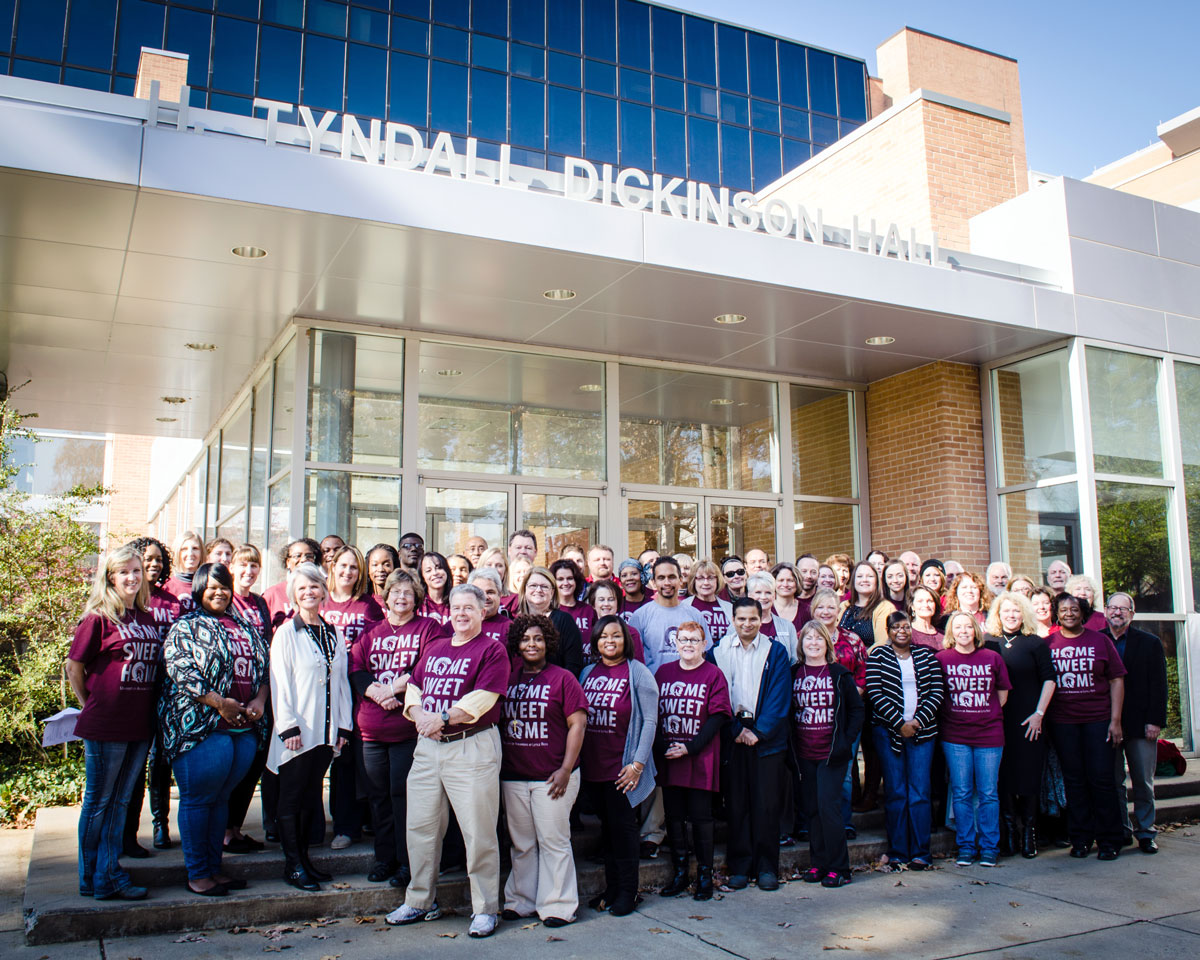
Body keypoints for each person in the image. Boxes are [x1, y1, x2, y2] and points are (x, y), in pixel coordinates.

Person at [386, 584, 511, 938]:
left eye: (468, 608)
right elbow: (414, 690)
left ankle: (485, 908)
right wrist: (420, 715)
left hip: (470, 746)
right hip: (428, 747)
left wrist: (440, 717)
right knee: (421, 829)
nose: (460, 614)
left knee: (479, 832)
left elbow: (484, 699)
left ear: (482, 610)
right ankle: (420, 900)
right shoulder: (436, 647)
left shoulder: (493, 650)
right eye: (455, 607)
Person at [159, 563, 269, 896]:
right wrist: (219, 702)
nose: (219, 592)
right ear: (199, 590)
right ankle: (197, 873)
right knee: (197, 801)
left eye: (224, 586)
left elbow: (263, 670)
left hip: (242, 731)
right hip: (201, 730)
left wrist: (260, 702)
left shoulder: (245, 626)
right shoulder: (186, 626)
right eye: (211, 586)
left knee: (220, 801)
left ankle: (214, 867)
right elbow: (181, 670)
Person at [66, 545, 162, 901]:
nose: (133, 577)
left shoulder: (148, 618)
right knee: (99, 802)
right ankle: (97, 876)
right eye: (124, 572)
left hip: (140, 724)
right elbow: (74, 667)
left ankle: (101, 876)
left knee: (121, 802)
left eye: (136, 571)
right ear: (110, 577)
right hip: (107, 724)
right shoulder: (98, 619)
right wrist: (89, 703)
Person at [350, 570, 442, 887]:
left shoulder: (428, 628)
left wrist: (393, 691)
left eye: (408, 592)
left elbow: (426, 666)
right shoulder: (372, 632)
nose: (401, 597)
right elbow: (357, 669)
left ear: (417, 598)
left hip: (407, 729)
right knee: (378, 798)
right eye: (395, 592)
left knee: (403, 796)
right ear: (385, 597)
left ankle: (407, 863)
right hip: (371, 731)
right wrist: (378, 692)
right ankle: (384, 859)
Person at [268, 562, 353, 891]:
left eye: (314, 586)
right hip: (297, 733)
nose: (309, 592)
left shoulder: (334, 633)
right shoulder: (286, 634)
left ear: (323, 590)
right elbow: (280, 684)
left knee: (309, 798)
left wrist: (342, 727)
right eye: (302, 588)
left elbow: (341, 683)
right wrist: (288, 727)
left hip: (325, 732)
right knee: (290, 800)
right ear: (293, 594)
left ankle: (305, 861)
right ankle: (293, 865)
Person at [499, 614, 588, 926]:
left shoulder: (563, 678)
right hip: (514, 775)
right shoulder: (507, 677)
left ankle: (558, 905)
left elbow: (578, 724)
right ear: (517, 644)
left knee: (554, 841)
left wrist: (566, 768)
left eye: (538, 639)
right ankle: (521, 900)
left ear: (548, 642)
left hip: (553, 776)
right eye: (525, 639)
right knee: (522, 844)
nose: (532, 644)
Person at [578, 615, 659, 916]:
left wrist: (637, 764)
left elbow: (650, 720)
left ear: (626, 640)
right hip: (595, 766)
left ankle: (629, 892)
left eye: (616, 635)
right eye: (603, 636)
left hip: (624, 768)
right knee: (608, 833)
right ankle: (611, 889)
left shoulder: (637, 672)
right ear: (595, 642)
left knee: (624, 834)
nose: (609, 641)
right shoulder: (587, 672)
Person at [710, 598, 792, 891]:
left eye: (752, 619)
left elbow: (780, 696)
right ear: (733, 620)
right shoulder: (718, 651)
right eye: (741, 619)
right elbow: (716, 696)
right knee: (737, 806)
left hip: (766, 740)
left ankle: (767, 867)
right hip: (733, 736)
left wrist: (759, 731)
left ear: (761, 619)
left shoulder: (776, 651)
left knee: (767, 806)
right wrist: (736, 729)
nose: (747, 624)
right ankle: (740, 867)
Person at [1046, 593, 1126, 861]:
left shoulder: (1100, 641)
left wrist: (1115, 721)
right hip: (1063, 722)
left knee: (1102, 779)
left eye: (1074, 609)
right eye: (1063, 609)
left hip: (1098, 720)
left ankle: (1109, 840)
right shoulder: (1048, 644)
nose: (1069, 613)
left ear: (1083, 613)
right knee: (1074, 780)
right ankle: (1080, 838)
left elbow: (1116, 680)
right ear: (1057, 613)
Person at [655, 621, 731, 901]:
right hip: (670, 757)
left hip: (700, 758)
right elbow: (654, 715)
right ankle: (679, 872)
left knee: (701, 818)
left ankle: (704, 876)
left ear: (704, 644)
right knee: (674, 818)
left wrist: (690, 747)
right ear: (675, 642)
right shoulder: (663, 673)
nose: (688, 644)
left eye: (694, 640)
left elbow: (719, 716)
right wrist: (666, 747)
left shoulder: (713, 674)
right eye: (683, 639)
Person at [865, 612, 945, 870]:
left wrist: (917, 722)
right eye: (896, 627)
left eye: (906, 626)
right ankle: (898, 850)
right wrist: (899, 723)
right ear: (887, 631)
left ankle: (921, 851)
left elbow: (937, 690)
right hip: (889, 732)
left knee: (920, 792)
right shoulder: (877, 656)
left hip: (923, 732)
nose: (902, 631)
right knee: (896, 791)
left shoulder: (925, 655)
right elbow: (874, 692)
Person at [793, 621, 864, 889]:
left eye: (818, 638)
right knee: (812, 809)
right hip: (804, 754)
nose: (813, 643)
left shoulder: (839, 674)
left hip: (831, 754)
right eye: (808, 639)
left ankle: (839, 867)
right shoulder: (793, 673)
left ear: (827, 643)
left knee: (829, 808)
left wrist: (845, 743)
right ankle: (818, 863)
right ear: (801, 644)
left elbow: (857, 711)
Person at [937, 611, 1011, 867]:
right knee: (962, 792)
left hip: (989, 735)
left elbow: (1002, 695)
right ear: (951, 632)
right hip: (955, 736)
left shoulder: (991, 657)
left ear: (975, 631)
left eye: (968, 626)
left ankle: (989, 846)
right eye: (958, 627)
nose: (963, 631)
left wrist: (982, 714)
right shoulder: (941, 659)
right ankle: (966, 845)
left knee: (989, 792)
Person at [985, 591, 1056, 859]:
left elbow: (1050, 680)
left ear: (1023, 614)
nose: (1011, 616)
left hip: (1030, 722)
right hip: (997, 722)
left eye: (1016, 611)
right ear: (998, 615)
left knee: (1027, 777)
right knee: (1002, 777)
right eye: (1006, 612)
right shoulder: (989, 643)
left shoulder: (1035, 643)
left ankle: (1029, 832)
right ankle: (1008, 834)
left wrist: (1039, 713)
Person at [122, 536, 181, 857]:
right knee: (130, 768)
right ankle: (125, 834)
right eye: (148, 559)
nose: (154, 564)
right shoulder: (127, 601)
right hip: (135, 693)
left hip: (166, 692)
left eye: (159, 559)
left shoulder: (171, 601)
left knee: (160, 760)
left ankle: (160, 824)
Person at [322, 545, 383, 850]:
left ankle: (356, 824)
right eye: (342, 566)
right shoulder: (320, 600)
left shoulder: (368, 606)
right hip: (323, 693)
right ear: (332, 567)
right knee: (328, 758)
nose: (347, 572)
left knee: (352, 760)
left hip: (357, 692)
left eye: (354, 568)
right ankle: (332, 826)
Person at [1102, 592, 1168, 854]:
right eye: (1113, 608)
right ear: (1105, 611)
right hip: (1107, 723)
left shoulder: (1149, 643)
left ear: (1132, 612)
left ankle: (1146, 832)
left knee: (1142, 780)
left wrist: (1155, 721)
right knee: (1113, 780)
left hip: (1141, 724)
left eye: (1123, 608)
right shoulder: (1097, 640)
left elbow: (1158, 685)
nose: (1117, 612)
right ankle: (1121, 831)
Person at [224, 544, 274, 856]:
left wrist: (260, 698)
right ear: (231, 568)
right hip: (228, 701)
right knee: (228, 769)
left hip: (258, 699)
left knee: (251, 767)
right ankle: (221, 832)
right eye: (243, 565)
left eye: (254, 566)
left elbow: (267, 651)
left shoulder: (260, 603)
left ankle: (234, 830)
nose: (249, 571)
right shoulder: (223, 601)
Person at [808, 588, 868, 832]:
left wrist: (848, 701)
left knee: (843, 772)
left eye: (830, 607)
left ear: (838, 611)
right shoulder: (806, 637)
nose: (825, 612)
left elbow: (864, 676)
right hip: (813, 718)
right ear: (813, 610)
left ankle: (843, 822)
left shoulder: (852, 640)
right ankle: (816, 823)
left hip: (844, 716)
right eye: (820, 607)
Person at [631, 557, 713, 675]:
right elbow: (633, 659)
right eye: (661, 578)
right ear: (653, 582)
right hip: (654, 688)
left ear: (680, 580)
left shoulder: (695, 615)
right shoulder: (640, 616)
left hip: (689, 687)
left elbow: (704, 654)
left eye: (672, 577)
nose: (667, 583)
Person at [514, 566, 585, 676]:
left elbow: (573, 664)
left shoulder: (564, 620)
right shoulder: (516, 622)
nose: (538, 590)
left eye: (544, 586)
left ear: (552, 592)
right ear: (524, 589)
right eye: (533, 585)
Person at [263, 538, 319, 629]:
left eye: (309, 556)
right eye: (298, 556)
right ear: (288, 562)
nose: (304, 560)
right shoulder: (273, 594)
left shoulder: (320, 592)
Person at [838, 561, 896, 649]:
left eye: (870, 576)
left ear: (876, 581)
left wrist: (859, 659)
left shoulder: (885, 608)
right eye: (859, 576)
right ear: (853, 581)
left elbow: (882, 643)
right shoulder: (844, 606)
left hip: (869, 660)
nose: (864, 579)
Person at [588, 580, 646, 663]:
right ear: (593, 604)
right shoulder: (587, 633)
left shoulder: (631, 633)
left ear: (618, 603)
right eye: (601, 600)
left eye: (611, 599)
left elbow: (638, 667)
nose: (606, 604)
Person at [747, 571, 798, 663]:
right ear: (749, 595)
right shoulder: (737, 626)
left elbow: (795, 661)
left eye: (768, 593)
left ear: (774, 596)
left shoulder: (788, 627)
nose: (763, 597)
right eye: (758, 592)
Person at [682, 559, 732, 640]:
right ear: (693, 581)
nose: (706, 583)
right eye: (701, 578)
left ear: (717, 580)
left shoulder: (729, 608)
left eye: (710, 578)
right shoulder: (684, 607)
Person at [551, 558, 596, 641]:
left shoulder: (588, 610)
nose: (565, 583)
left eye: (570, 578)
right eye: (560, 579)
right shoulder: (549, 612)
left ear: (576, 581)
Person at [468, 567, 512, 645]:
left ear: (499, 594)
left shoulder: (510, 628)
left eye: (490, 592)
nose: (485, 597)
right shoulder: (457, 624)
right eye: (479, 592)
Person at [163, 530, 203, 613]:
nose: (190, 553)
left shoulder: (208, 586)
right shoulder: (165, 587)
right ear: (177, 552)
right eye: (184, 549)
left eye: (195, 548)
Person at [418, 551, 453, 624]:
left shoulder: (456, 600)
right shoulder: (417, 604)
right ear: (422, 577)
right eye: (428, 570)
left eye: (439, 567)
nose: (435, 573)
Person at [771, 562, 806, 631]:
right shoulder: (767, 609)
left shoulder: (806, 611)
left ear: (797, 582)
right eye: (781, 580)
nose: (785, 584)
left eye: (790, 580)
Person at [909, 585, 944, 650]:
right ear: (912, 606)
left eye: (930, 601)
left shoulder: (943, 634)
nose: (926, 605)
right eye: (920, 601)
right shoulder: (907, 633)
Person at [796, 554, 820, 622]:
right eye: (804, 571)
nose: (808, 576)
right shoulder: (788, 600)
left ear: (819, 575)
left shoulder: (823, 600)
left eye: (813, 572)